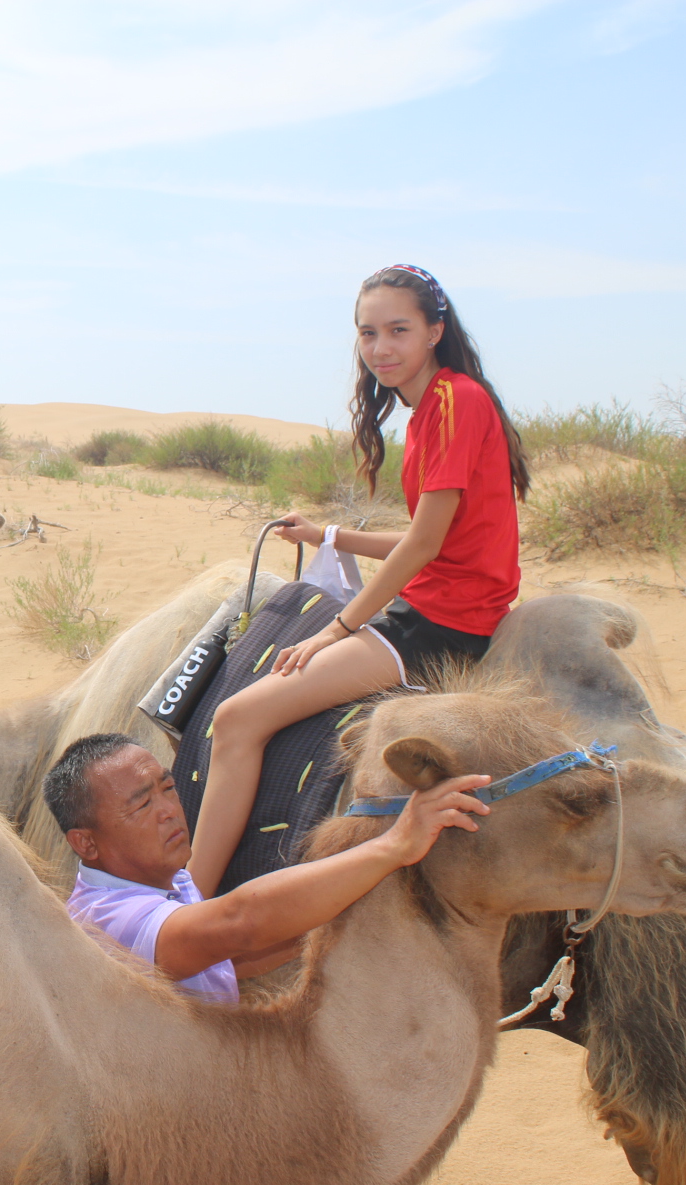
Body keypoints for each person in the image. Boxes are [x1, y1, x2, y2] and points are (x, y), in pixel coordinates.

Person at [43, 732, 489, 1185]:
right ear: (86, 844)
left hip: (194, 1168)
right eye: (141, 804)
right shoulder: (104, 919)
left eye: (166, 788)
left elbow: (241, 952)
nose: (168, 811)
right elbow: (238, 925)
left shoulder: (166, 880)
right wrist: (392, 846)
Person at [187, 264, 530, 897]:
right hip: (433, 607)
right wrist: (329, 537)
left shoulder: (455, 400)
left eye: (398, 330)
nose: (381, 349)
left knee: (237, 720)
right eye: (368, 334)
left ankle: (191, 905)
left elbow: (425, 545)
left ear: (435, 330)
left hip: (439, 624)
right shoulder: (432, 408)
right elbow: (434, 539)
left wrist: (339, 629)